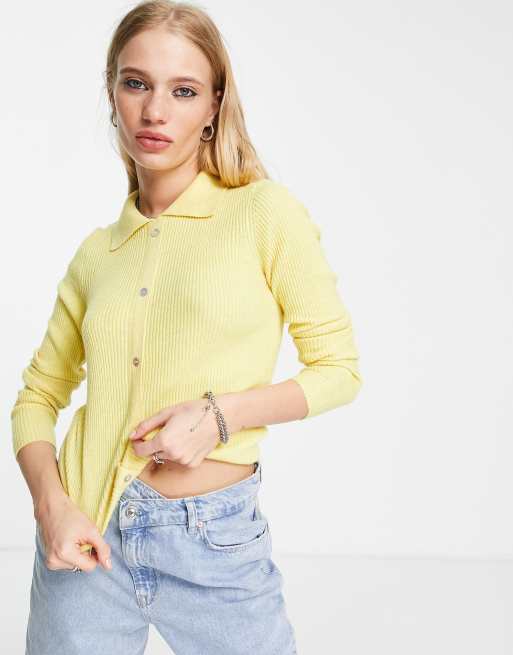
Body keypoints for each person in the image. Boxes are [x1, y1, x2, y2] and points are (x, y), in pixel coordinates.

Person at [11, 1, 363, 653]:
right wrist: (51, 506)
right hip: (85, 539)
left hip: (213, 541)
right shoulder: (97, 253)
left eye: (183, 90)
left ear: (213, 106)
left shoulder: (264, 214)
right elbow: (37, 398)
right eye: (136, 83)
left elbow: (338, 371)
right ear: (112, 94)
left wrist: (220, 416)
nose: (154, 111)